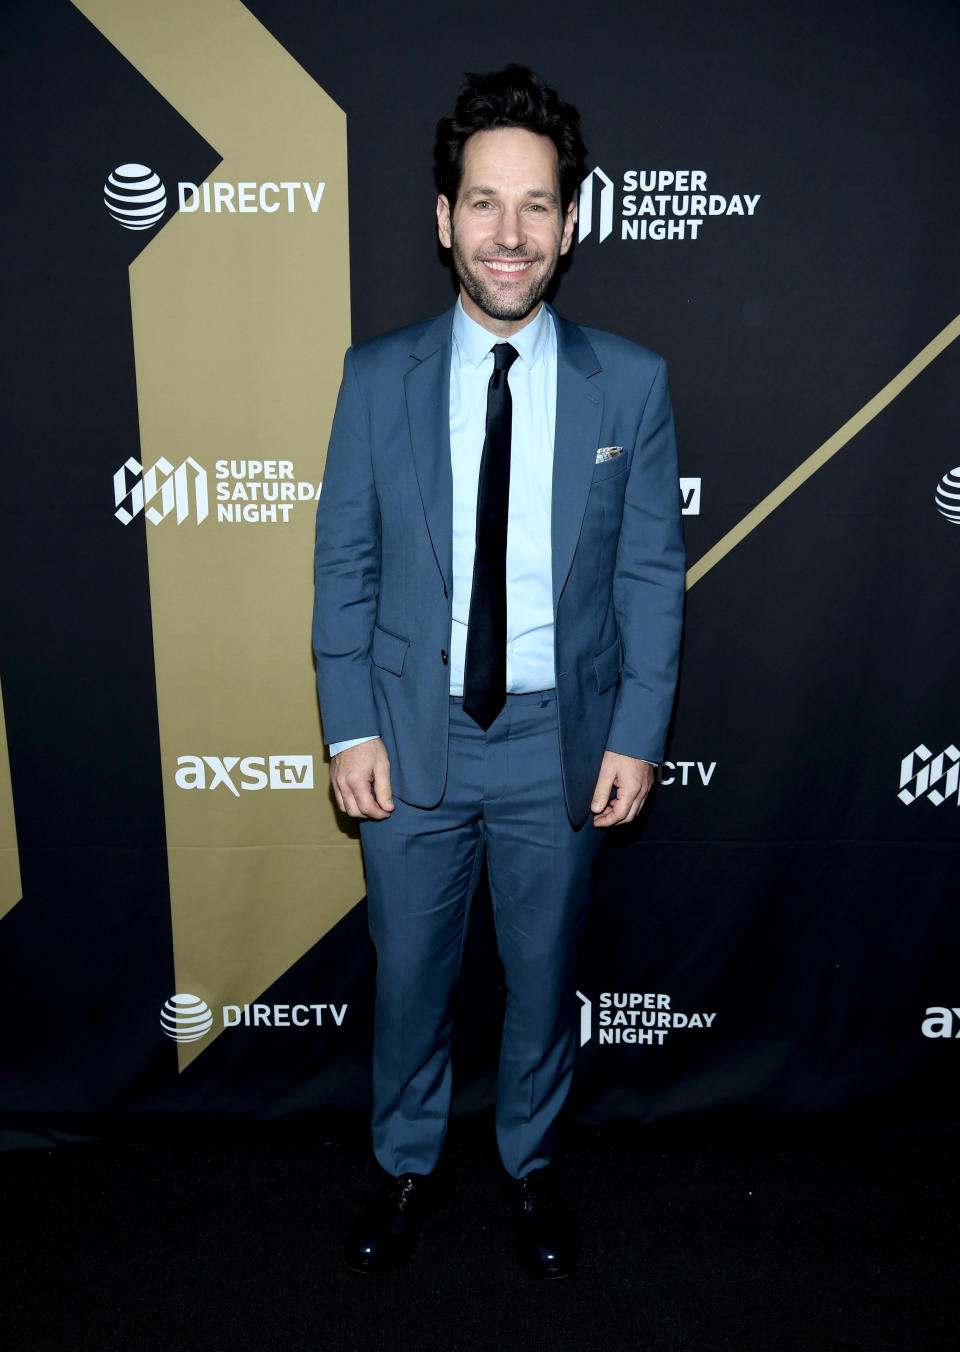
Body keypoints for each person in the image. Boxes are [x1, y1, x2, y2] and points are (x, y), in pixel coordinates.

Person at [313, 65, 685, 1279]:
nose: (509, 234)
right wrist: (347, 722)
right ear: (442, 218)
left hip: (556, 743)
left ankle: (530, 1164)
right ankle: (407, 1162)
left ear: (570, 226)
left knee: (540, 979)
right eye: (484, 204)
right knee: (411, 977)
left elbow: (646, 576)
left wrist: (635, 732)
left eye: (535, 207)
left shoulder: (629, 381)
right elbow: (345, 565)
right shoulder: (377, 378)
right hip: (413, 736)